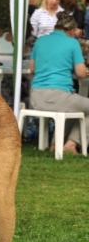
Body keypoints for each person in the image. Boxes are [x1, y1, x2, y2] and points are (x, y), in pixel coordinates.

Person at [29, 11, 89, 155]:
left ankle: (56, 145)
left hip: (36, 98)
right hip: (58, 97)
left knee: (74, 106)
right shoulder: (72, 43)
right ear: (70, 30)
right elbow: (81, 73)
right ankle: (71, 144)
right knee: (76, 105)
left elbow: (32, 69)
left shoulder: (40, 41)